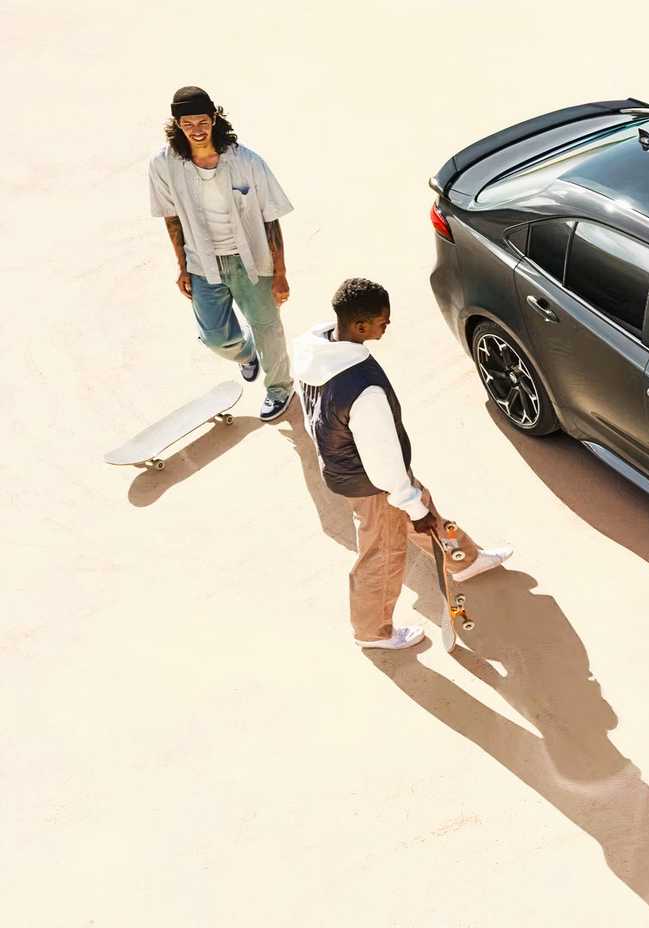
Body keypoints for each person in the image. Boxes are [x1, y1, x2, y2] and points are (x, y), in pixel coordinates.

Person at [291, 278, 514, 649]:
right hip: (371, 481)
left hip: (345, 463)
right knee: (383, 552)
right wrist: (406, 501)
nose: (387, 325)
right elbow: (382, 461)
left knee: (420, 504)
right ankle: (371, 631)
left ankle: (464, 560)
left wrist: (411, 500)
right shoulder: (363, 389)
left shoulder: (313, 348)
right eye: (382, 321)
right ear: (360, 327)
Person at [148, 86, 296, 420]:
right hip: (202, 262)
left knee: (267, 328)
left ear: (214, 119)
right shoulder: (163, 165)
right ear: (177, 124)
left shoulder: (247, 162)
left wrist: (281, 273)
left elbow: (270, 220)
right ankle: (246, 355)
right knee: (214, 337)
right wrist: (182, 267)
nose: (197, 130)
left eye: (202, 121)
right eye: (188, 124)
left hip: (252, 263)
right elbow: (171, 218)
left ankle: (279, 389)